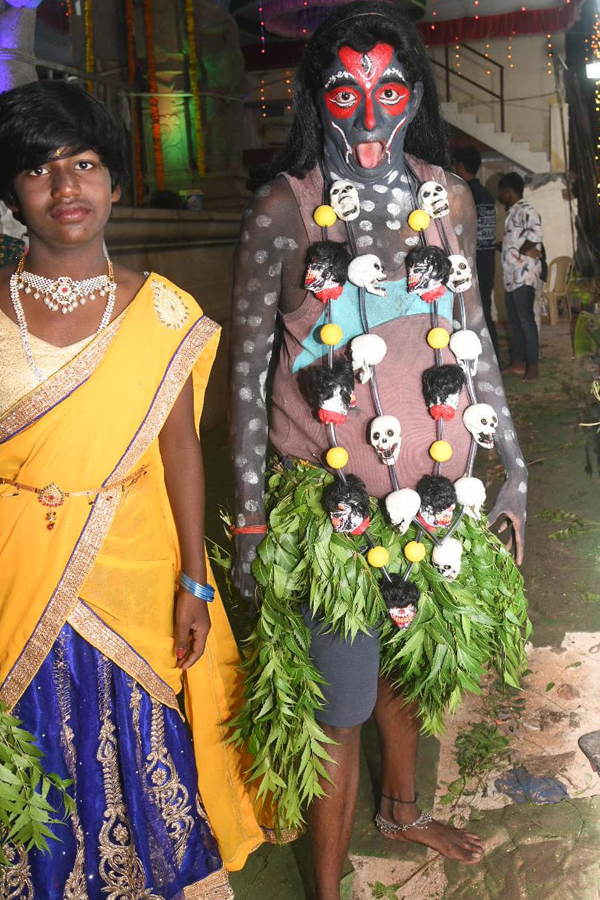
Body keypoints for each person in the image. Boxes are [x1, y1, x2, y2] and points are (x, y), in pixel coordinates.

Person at [229, 5, 528, 899]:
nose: (367, 117)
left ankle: (403, 810)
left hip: (438, 491)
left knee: (414, 667)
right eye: (345, 93)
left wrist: (513, 476)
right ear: (316, 101)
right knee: (339, 704)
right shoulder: (283, 211)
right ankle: (327, 888)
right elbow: (244, 377)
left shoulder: (451, 198)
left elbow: (474, 344)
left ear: (416, 96)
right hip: (330, 512)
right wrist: (248, 517)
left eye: (388, 91)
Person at [0, 80, 265, 898]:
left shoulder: (162, 315)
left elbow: (181, 448)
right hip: (13, 572)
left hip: (136, 571)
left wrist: (194, 579)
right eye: (40, 171)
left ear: (115, 181)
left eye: (83, 164)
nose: (65, 188)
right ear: (13, 194)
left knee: (144, 741)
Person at [453, 145, 500, 360]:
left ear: (460, 167)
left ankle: (481, 358)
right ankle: (493, 356)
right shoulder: (487, 195)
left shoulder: (464, 193)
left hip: (472, 264)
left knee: (471, 313)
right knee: (485, 312)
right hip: (488, 260)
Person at [498, 171, 543, 382]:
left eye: (501, 192)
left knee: (526, 322)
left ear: (507, 191)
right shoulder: (514, 212)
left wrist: (526, 250)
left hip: (524, 275)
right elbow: (517, 241)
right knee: (515, 322)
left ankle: (532, 366)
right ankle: (518, 364)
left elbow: (536, 233)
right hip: (511, 275)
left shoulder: (526, 210)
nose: (500, 196)